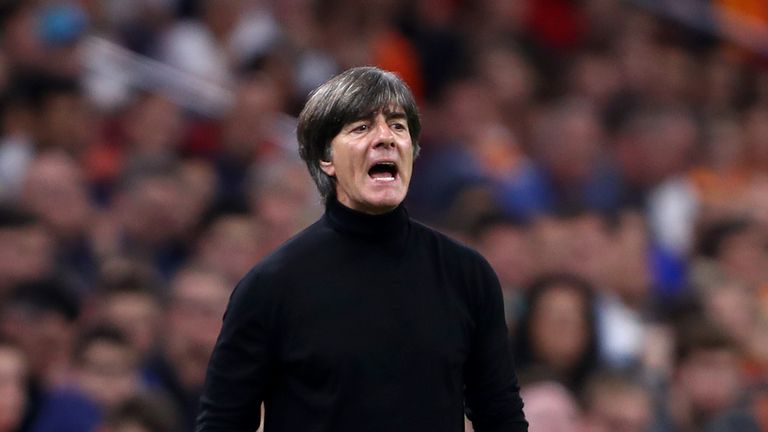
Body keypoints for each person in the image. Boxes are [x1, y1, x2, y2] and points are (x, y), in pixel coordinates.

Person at [196, 66, 528, 431]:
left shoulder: (467, 274)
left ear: (412, 152)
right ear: (327, 159)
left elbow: (501, 415)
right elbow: (222, 422)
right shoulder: (271, 285)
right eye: (361, 128)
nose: (385, 138)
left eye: (398, 126)